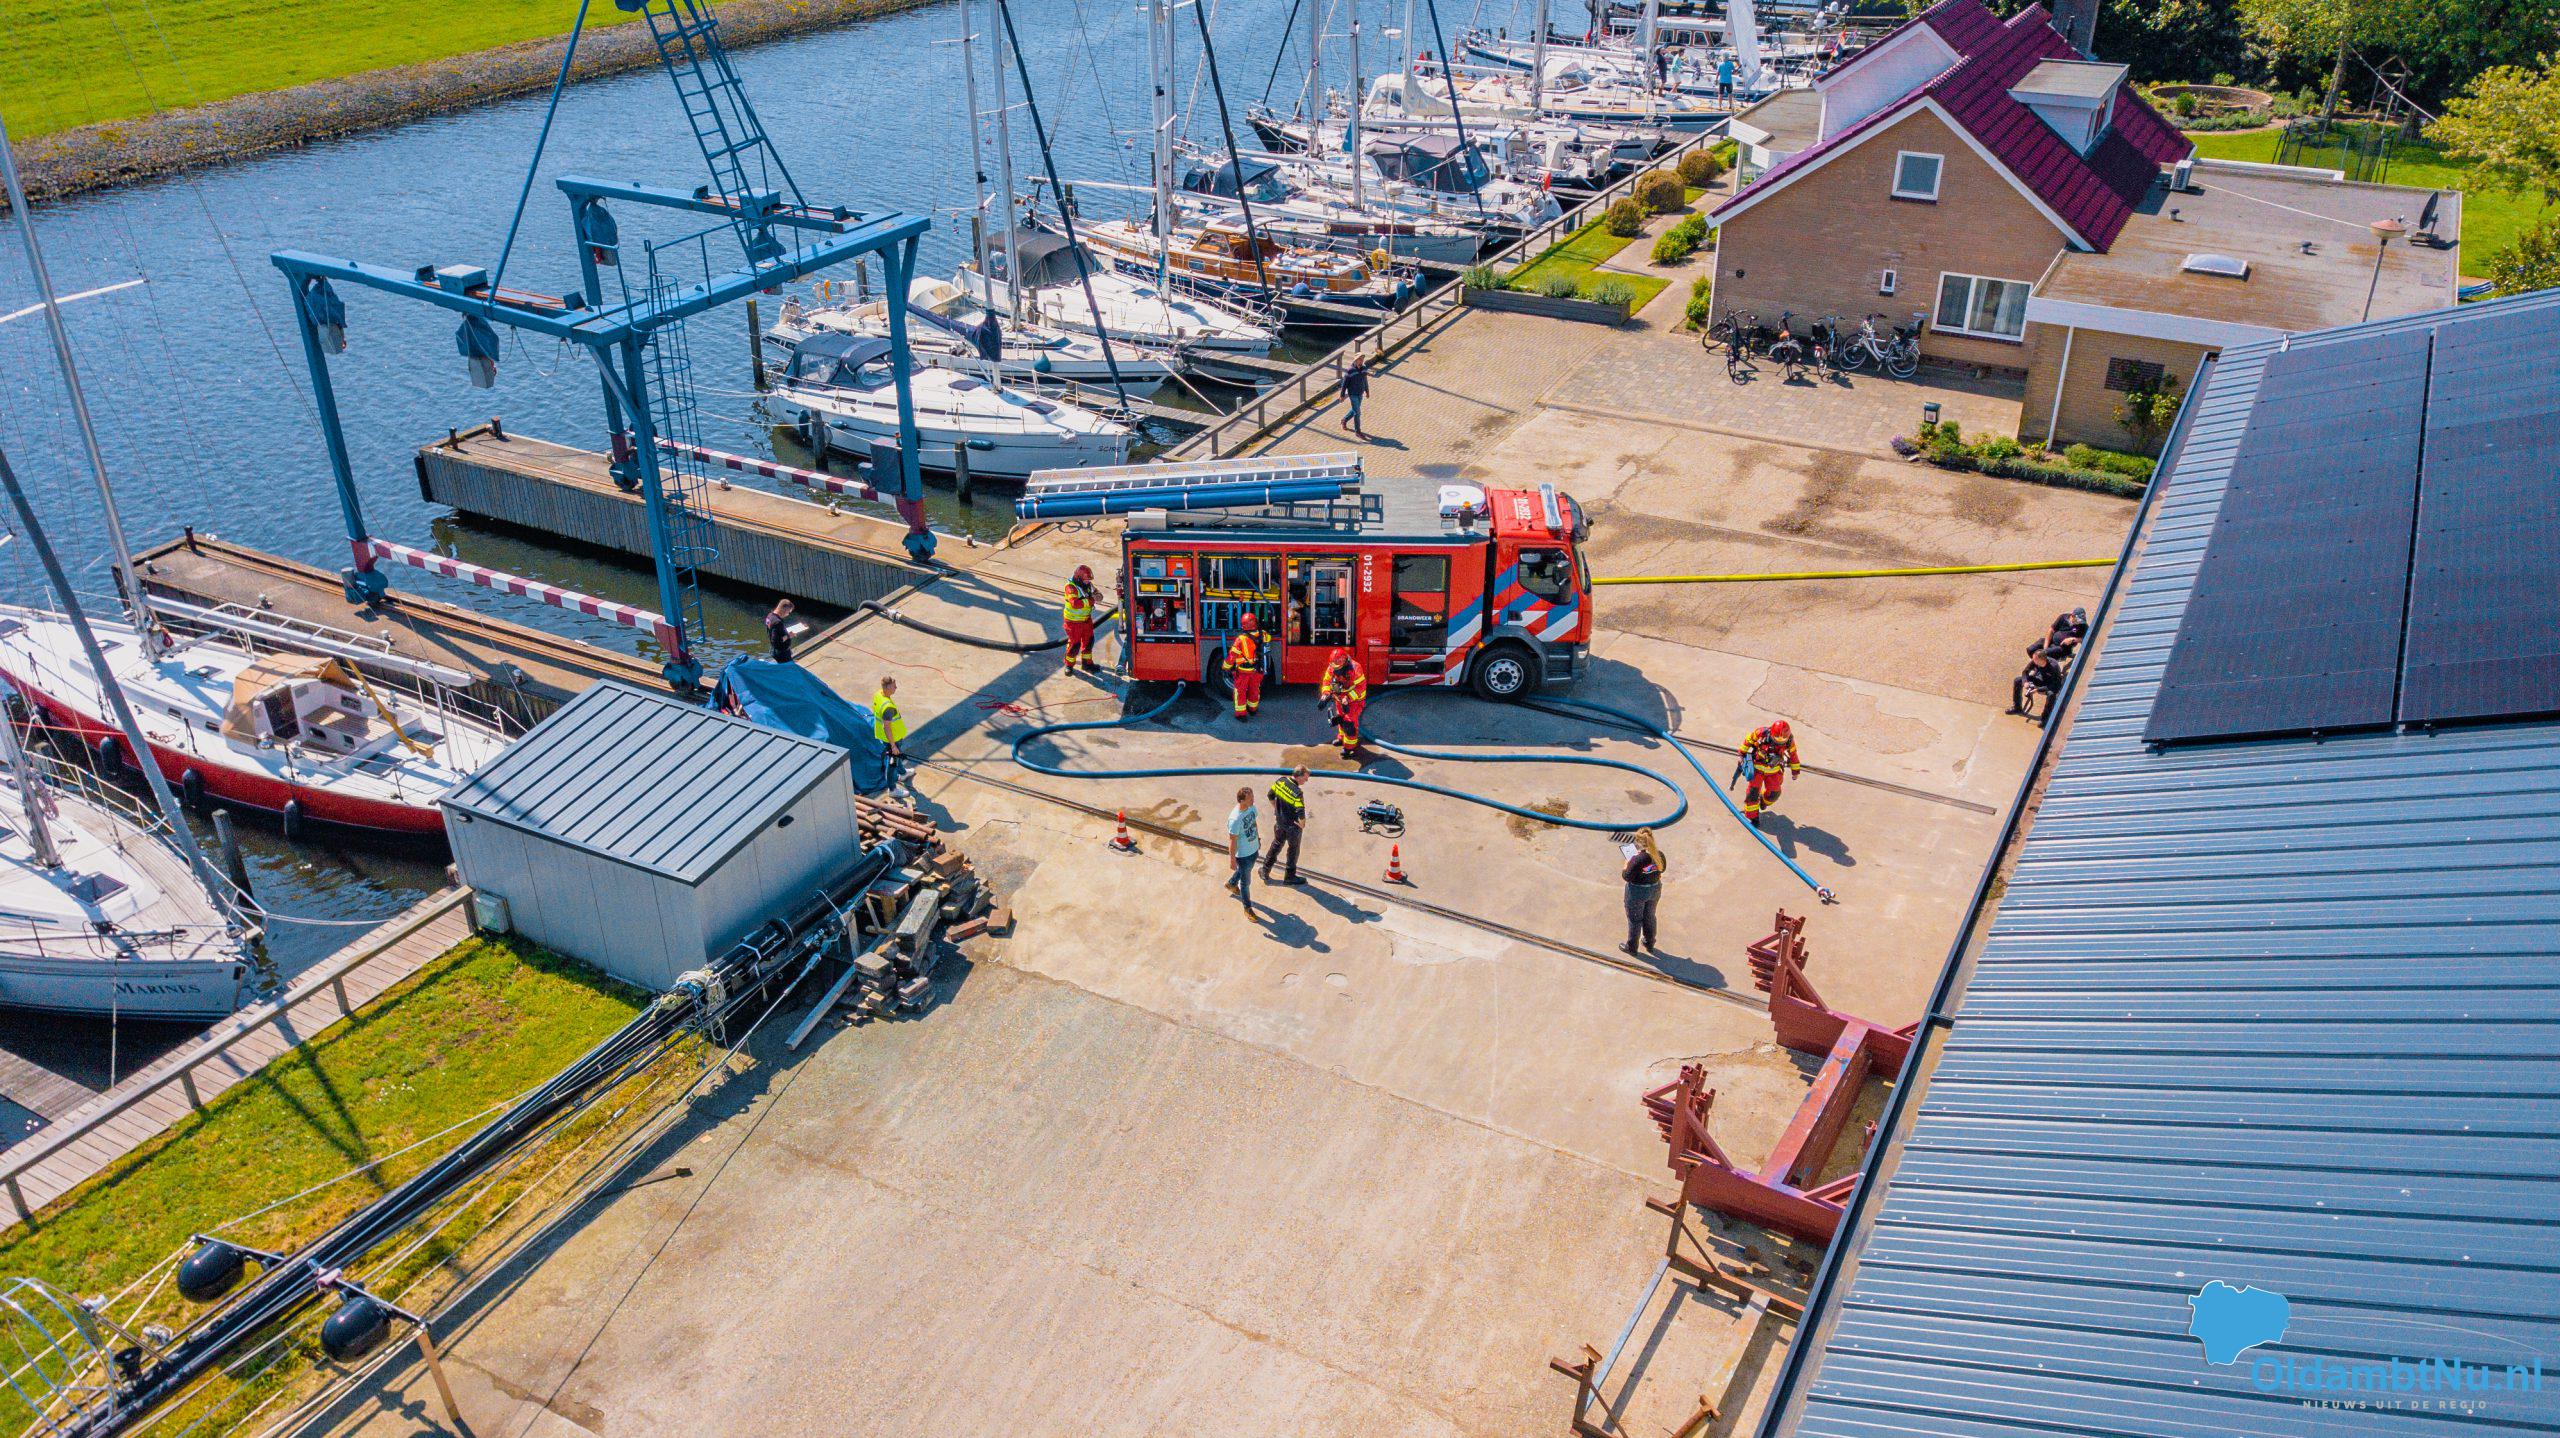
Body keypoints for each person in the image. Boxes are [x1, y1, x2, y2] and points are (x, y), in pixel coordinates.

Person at [1735, 718, 1801, 825]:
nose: (1780, 741)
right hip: (1757, 768)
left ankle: (1763, 801)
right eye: (1777, 738)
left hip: (1773, 771)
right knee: (1752, 793)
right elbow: (1748, 740)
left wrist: (1795, 772)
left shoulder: (1789, 740)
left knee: (1774, 794)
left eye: (1783, 739)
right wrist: (1741, 754)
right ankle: (1753, 817)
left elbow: (1793, 755)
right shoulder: (1761, 733)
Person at [1621, 828, 1665, 956]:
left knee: (1635, 920)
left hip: (1637, 892)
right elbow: (1662, 869)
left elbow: (1626, 876)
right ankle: (1649, 942)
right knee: (1650, 916)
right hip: (1654, 889)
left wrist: (1626, 863)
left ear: (1638, 842)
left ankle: (1632, 947)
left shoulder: (1637, 859)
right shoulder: (1659, 855)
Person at [1263, 765, 1310, 885]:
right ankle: (1289, 876)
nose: (1306, 780)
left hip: (1280, 823)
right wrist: (1302, 824)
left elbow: (1270, 795)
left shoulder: (1280, 781)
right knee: (1293, 850)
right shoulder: (1297, 792)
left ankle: (1265, 870)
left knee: (1276, 845)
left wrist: (1276, 809)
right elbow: (1300, 811)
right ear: (1299, 777)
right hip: (1292, 827)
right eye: (1305, 778)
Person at [1320, 648, 1366, 759]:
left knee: (1349, 723)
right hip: (1340, 699)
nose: (1334, 668)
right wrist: (1325, 694)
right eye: (1333, 665)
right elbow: (1326, 681)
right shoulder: (1332, 667)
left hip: (1355, 701)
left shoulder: (1355, 668)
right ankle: (1341, 738)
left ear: (1344, 661)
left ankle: (1349, 748)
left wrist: (1348, 698)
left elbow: (1361, 687)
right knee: (1341, 718)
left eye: (1337, 666)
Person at [1225, 611, 1267, 721]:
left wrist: (1226, 667)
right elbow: (1268, 639)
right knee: (1254, 690)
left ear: (1243, 625)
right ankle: (1253, 709)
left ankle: (1241, 714)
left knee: (1240, 692)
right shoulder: (1263, 635)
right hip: (1257, 670)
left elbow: (1232, 655)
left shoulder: (1241, 639)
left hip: (1243, 671)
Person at [1225, 786, 1261, 910]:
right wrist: (1232, 860)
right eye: (1250, 798)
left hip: (1254, 849)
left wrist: (1258, 839)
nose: (1253, 800)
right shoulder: (1235, 819)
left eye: (1253, 797)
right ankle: (1247, 908)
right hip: (1243, 855)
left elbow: (1254, 823)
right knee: (1245, 883)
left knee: (1244, 870)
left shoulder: (1251, 808)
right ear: (1241, 800)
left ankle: (1231, 883)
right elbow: (1232, 840)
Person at [1062, 564, 1101, 671]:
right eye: (1086, 580)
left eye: (1089, 580)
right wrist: (1091, 600)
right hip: (1073, 622)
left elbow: (1097, 594)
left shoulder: (1088, 585)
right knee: (1074, 645)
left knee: (1089, 642)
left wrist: (1097, 595)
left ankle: (1087, 664)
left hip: (1086, 620)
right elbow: (1075, 603)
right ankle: (1069, 665)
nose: (1088, 582)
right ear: (1079, 578)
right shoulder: (1070, 587)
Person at [871, 675, 908, 772]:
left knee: (896, 757)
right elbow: (887, 727)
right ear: (887, 688)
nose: (896, 688)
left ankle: (902, 772)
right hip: (893, 738)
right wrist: (893, 746)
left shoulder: (878, 694)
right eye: (894, 686)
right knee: (892, 763)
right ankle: (892, 781)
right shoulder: (888, 707)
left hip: (884, 736)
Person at [1340, 354, 1371, 437]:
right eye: (1360, 359)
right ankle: (1358, 431)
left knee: (1355, 410)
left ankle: (1344, 420)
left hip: (1360, 393)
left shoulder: (1364, 368)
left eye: (1362, 359)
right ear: (1355, 360)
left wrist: (1367, 391)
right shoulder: (1350, 371)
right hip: (1353, 394)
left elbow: (1365, 380)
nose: (1361, 361)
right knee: (1357, 413)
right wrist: (1342, 395)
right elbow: (1344, 384)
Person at [764, 598, 798, 663]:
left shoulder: (769, 616)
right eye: (788, 612)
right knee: (789, 667)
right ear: (784, 610)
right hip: (781, 652)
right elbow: (776, 641)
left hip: (774, 649)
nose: (788, 614)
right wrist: (789, 636)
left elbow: (772, 633)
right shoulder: (777, 622)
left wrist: (785, 633)